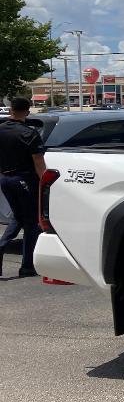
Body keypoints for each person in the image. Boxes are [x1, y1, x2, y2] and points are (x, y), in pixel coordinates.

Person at [0, 98, 47, 278]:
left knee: (18, 217)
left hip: (5, 179)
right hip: (24, 180)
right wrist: (45, 185)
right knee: (31, 223)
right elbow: (39, 163)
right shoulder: (29, 133)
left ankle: (2, 244)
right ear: (27, 112)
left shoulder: (1, 130)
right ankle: (27, 266)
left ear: (11, 110)